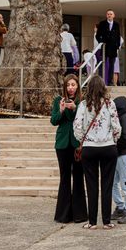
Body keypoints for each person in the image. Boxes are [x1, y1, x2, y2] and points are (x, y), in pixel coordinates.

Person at [73, 75, 121, 230]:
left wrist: (83, 140)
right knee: (107, 185)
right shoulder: (110, 104)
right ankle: (106, 221)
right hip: (108, 147)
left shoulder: (82, 105)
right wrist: (113, 139)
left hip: (89, 148)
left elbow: (77, 126)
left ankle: (92, 221)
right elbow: (116, 126)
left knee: (91, 185)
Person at [50, 74, 87, 224]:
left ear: (78, 86)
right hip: (62, 144)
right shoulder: (58, 100)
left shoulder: (82, 102)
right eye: (68, 85)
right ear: (64, 87)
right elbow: (54, 121)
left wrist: (74, 108)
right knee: (64, 178)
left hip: (77, 144)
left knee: (78, 177)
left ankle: (80, 214)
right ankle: (63, 215)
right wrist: (61, 110)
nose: (70, 88)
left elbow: (81, 120)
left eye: (73, 84)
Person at [110, 96, 126, 224]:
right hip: (119, 154)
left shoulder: (124, 117)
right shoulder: (120, 117)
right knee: (113, 183)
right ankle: (120, 207)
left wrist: (115, 148)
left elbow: (125, 138)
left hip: (124, 155)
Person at [96, 10, 122, 86]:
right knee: (102, 64)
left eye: (111, 14)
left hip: (113, 48)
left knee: (112, 65)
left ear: (114, 15)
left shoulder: (116, 24)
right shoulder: (102, 23)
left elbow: (118, 36)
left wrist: (117, 46)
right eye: (108, 14)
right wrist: (101, 42)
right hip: (105, 47)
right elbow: (97, 35)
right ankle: (101, 82)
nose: (109, 15)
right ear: (106, 15)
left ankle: (110, 82)